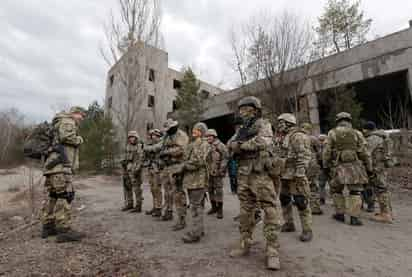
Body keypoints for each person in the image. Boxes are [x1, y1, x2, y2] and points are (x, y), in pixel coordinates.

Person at [228, 96, 282, 270]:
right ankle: (245, 242)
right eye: (241, 109)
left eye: (246, 109)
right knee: (245, 210)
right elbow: (230, 143)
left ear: (255, 109)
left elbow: (264, 141)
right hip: (244, 174)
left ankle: (272, 250)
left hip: (260, 174)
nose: (243, 112)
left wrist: (241, 145)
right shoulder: (242, 129)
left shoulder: (262, 124)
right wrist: (236, 144)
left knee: (270, 209)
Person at [41, 106, 86, 242]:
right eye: (81, 116)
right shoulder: (68, 121)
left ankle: (48, 226)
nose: (82, 119)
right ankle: (64, 229)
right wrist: (79, 139)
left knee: (53, 196)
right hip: (60, 167)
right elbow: (66, 137)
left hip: (52, 167)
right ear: (75, 113)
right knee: (64, 196)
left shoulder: (58, 122)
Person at [323, 112, 372, 226]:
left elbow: (326, 151)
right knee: (355, 191)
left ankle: (340, 214)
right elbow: (365, 152)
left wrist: (325, 166)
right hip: (355, 166)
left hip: (337, 166)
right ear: (349, 121)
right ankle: (354, 218)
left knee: (336, 190)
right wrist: (369, 167)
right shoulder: (357, 133)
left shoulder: (332, 133)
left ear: (337, 121)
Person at [278, 114, 313, 242]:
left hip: (296, 174)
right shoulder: (282, 137)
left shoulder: (298, 136)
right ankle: (289, 223)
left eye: (281, 122)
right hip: (284, 174)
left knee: (301, 201)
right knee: (284, 199)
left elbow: (304, 155)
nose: (279, 125)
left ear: (289, 123)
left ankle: (307, 229)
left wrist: (300, 172)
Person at [181, 122, 211, 243]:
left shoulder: (203, 144)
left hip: (197, 181)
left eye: (197, 130)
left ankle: (195, 234)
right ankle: (199, 229)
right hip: (192, 180)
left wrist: (184, 166)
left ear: (202, 132)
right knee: (198, 206)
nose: (194, 131)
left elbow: (199, 161)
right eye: (193, 129)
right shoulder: (194, 144)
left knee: (195, 207)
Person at [159, 119, 189, 228]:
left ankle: (181, 219)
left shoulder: (181, 135)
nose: (167, 131)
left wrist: (166, 153)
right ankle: (168, 212)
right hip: (167, 167)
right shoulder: (167, 136)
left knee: (178, 193)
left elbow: (181, 149)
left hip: (177, 166)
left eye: (169, 129)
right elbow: (162, 148)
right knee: (167, 191)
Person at [363, 121, 394, 223]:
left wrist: (368, 168)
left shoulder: (372, 139)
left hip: (376, 168)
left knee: (380, 190)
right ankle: (388, 212)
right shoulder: (384, 137)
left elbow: (366, 154)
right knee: (384, 189)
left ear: (366, 129)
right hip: (383, 167)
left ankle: (385, 214)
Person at [205, 129, 229, 219]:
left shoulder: (220, 146)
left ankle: (220, 210)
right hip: (208, 172)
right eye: (207, 136)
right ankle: (214, 207)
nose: (208, 138)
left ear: (214, 136)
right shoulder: (206, 146)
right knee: (210, 190)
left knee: (218, 191)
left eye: (210, 136)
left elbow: (226, 158)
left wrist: (221, 169)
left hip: (217, 171)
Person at [301, 122, 323, 215]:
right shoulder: (313, 139)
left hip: (300, 164)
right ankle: (315, 207)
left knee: (302, 185)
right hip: (312, 163)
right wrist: (320, 162)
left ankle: (303, 206)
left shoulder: (296, 138)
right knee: (313, 185)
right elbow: (319, 152)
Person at [121, 130, 144, 213]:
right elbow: (124, 156)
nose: (131, 139)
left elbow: (141, 159)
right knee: (127, 187)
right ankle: (129, 204)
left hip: (135, 169)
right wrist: (123, 162)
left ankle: (138, 206)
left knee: (137, 188)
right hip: (127, 169)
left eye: (133, 137)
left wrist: (137, 169)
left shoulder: (139, 146)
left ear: (136, 137)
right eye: (130, 137)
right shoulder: (128, 146)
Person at [144, 129, 163, 217]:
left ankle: (159, 208)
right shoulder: (151, 143)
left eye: (154, 135)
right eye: (152, 135)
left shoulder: (161, 143)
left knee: (157, 189)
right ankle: (155, 206)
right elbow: (146, 151)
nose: (153, 137)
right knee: (152, 189)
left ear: (158, 136)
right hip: (151, 168)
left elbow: (154, 149)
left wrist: (147, 147)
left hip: (158, 169)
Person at [318, 134, 328, 205]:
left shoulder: (328, 147)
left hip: (328, 168)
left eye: (322, 140)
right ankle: (322, 198)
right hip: (322, 168)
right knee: (321, 184)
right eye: (320, 140)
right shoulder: (319, 148)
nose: (321, 142)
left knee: (333, 185)